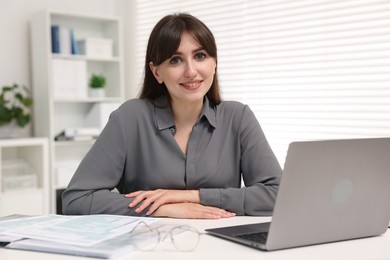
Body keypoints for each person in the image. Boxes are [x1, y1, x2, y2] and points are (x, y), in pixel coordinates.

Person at [62, 13, 282, 219]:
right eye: (176, 60)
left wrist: (192, 196)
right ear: (157, 71)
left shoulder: (238, 117)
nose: (191, 71)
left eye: (200, 56)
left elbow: (278, 195)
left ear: (214, 63)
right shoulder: (130, 118)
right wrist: (164, 209)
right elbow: (77, 199)